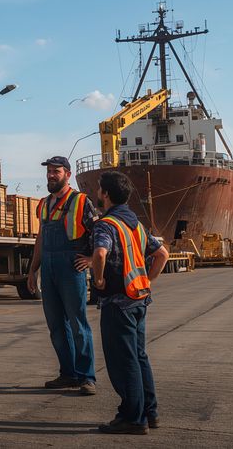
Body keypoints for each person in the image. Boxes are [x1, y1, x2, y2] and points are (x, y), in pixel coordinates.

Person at [85, 170, 169, 435]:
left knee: (123, 361)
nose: (97, 193)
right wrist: (148, 279)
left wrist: (98, 280)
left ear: (106, 194)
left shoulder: (106, 224)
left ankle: (133, 418)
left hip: (118, 303)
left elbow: (99, 253)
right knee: (139, 356)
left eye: (99, 189)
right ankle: (150, 412)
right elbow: (162, 254)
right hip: (139, 299)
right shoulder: (135, 224)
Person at [27, 156, 98, 395]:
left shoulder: (81, 201)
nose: (50, 175)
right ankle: (68, 374)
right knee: (56, 326)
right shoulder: (44, 204)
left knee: (78, 324)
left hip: (71, 268)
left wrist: (90, 259)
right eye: (48, 171)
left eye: (55, 171)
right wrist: (32, 270)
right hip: (48, 268)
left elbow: (98, 234)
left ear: (68, 174)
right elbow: (40, 239)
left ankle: (87, 377)